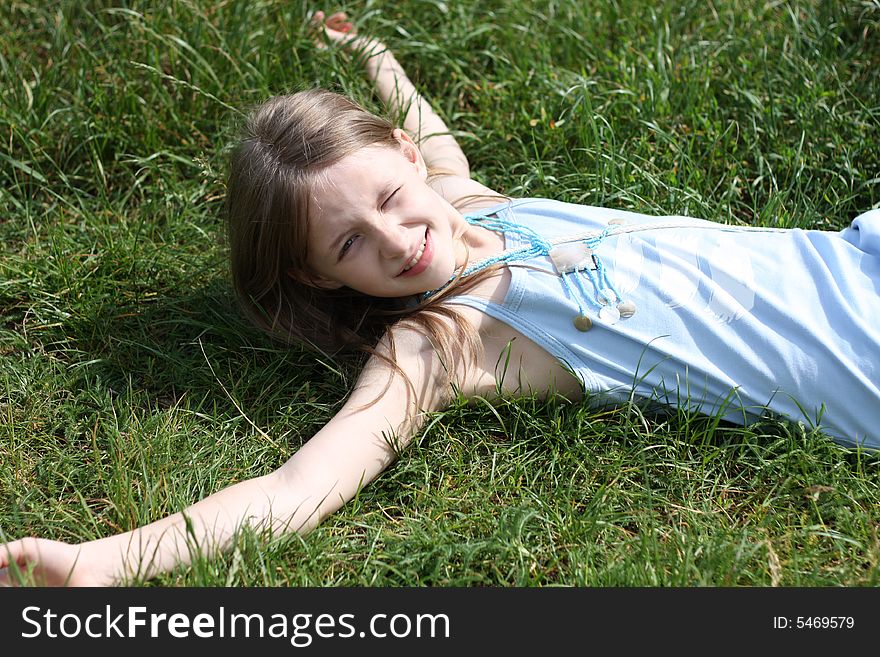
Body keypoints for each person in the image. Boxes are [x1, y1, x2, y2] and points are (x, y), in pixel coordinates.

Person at [2, 10, 879, 587]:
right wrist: (101, 564)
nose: (397, 241)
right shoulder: (441, 342)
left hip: (855, 251)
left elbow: (436, 144)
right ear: (318, 276)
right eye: (351, 244)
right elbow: (301, 483)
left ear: (403, 158)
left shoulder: (464, 202)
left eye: (388, 198)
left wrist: (376, 58)